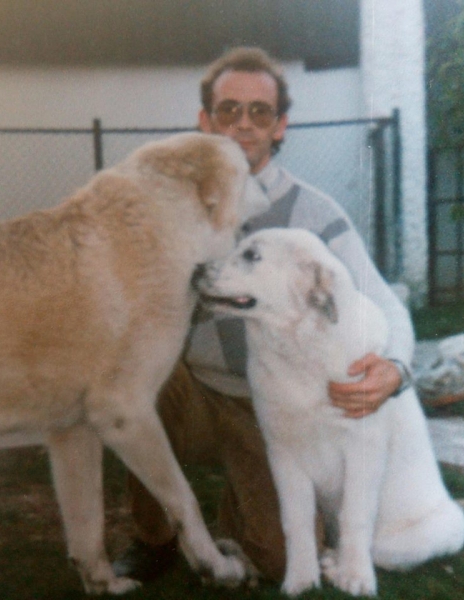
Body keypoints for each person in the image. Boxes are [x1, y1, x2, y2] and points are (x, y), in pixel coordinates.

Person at [113, 46, 415, 583]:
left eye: (260, 112)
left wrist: (396, 370)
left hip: (274, 408)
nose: (243, 125)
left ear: (279, 127)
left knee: (279, 562)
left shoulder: (317, 215)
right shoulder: (173, 212)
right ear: (206, 122)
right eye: (228, 110)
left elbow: (384, 300)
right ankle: (153, 537)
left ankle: (241, 504)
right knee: (135, 387)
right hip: (197, 389)